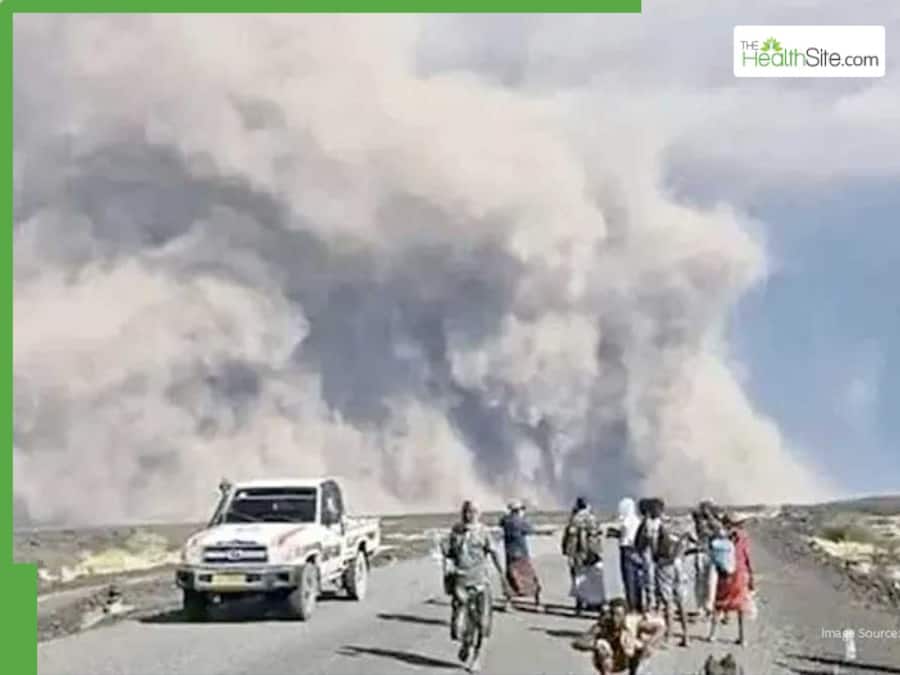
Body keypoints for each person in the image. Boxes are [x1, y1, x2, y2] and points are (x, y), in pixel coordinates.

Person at [442, 500, 512, 672]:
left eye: (473, 511)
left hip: (481, 583)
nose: (470, 515)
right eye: (467, 511)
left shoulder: (484, 533)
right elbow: (447, 554)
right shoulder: (456, 532)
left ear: (479, 514)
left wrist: (503, 576)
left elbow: (494, 553)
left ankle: (477, 658)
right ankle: (466, 643)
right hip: (461, 584)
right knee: (458, 628)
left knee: (482, 623)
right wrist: (447, 573)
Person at [634, 498, 690, 646]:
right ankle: (686, 635)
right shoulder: (672, 522)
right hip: (678, 564)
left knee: (668, 602)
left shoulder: (651, 524)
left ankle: (669, 636)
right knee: (680, 601)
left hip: (664, 564)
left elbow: (641, 545)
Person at [572, 598, 665, 675]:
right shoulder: (603, 625)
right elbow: (578, 642)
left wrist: (648, 645)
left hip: (627, 657)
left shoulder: (633, 623)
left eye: (619, 615)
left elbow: (660, 628)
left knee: (634, 644)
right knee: (602, 646)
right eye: (613, 614)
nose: (615, 618)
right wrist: (595, 646)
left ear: (625, 615)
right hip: (610, 660)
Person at [708, 513, 755, 646]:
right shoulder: (743, 537)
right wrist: (751, 576)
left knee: (719, 603)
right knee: (740, 605)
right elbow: (747, 557)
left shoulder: (722, 536)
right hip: (740, 572)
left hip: (725, 572)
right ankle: (742, 637)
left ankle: (712, 634)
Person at [498, 500, 542, 609]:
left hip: (509, 553)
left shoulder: (506, 520)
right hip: (522, 553)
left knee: (511, 578)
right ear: (518, 510)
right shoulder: (521, 521)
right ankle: (537, 603)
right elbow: (531, 529)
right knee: (530, 578)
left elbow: (501, 522)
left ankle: (508, 603)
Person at [562, 496, 601, 615]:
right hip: (590, 553)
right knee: (591, 578)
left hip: (577, 554)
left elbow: (569, 539)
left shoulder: (574, 519)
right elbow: (595, 537)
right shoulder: (591, 518)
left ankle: (579, 603)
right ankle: (591, 602)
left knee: (578, 578)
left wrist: (569, 554)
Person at [606, 497, 643, 613]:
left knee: (629, 580)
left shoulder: (627, 521)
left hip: (627, 550)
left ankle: (632, 606)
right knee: (636, 580)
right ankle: (638, 605)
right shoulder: (636, 520)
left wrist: (615, 533)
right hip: (634, 551)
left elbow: (626, 537)